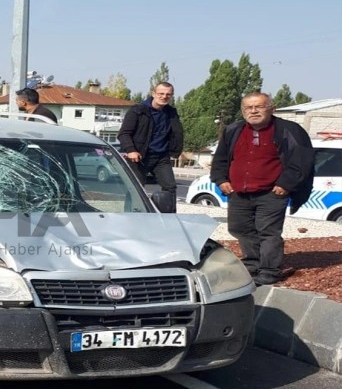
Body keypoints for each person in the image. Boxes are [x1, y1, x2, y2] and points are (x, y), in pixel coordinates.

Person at [210, 92, 315, 286]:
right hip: (239, 192)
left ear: (272, 109)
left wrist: (286, 184)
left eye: (259, 107)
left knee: (268, 232)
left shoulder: (289, 130)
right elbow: (221, 158)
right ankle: (252, 263)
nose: (253, 111)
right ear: (243, 111)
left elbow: (302, 161)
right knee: (240, 228)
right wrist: (220, 179)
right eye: (248, 108)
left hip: (271, 193)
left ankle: (269, 270)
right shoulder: (233, 130)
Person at [117, 82, 184, 209]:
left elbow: (176, 133)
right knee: (136, 189)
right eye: (161, 93)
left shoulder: (171, 113)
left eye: (168, 94)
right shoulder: (138, 110)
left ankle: (169, 217)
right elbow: (124, 134)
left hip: (161, 158)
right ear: (153, 93)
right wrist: (131, 150)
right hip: (139, 157)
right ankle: (131, 216)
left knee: (170, 187)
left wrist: (175, 150)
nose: (164, 97)